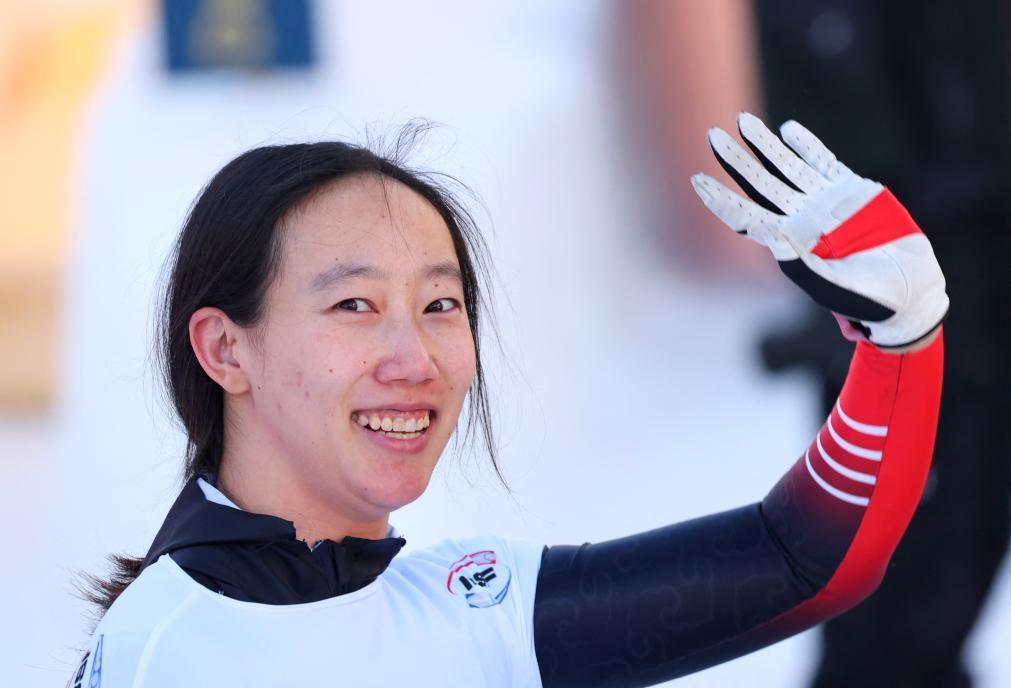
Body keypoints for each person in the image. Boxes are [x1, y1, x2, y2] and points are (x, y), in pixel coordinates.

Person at [71, 115, 946, 687]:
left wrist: (899, 340)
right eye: (354, 305)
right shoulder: (175, 647)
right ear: (225, 350)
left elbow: (799, 561)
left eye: (439, 305)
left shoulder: (461, 612)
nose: (414, 359)